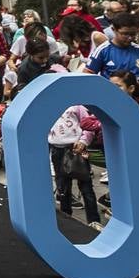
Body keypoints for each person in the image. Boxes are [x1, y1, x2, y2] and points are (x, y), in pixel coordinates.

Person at [48, 90, 101, 230]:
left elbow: (88, 126)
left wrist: (84, 141)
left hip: (76, 148)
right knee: (63, 188)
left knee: (86, 186)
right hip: (57, 150)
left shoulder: (77, 106)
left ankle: (94, 220)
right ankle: (67, 218)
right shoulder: (47, 107)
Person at [86, 13, 139, 95]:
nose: (130, 38)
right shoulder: (103, 50)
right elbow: (87, 77)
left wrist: (134, 86)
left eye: (133, 34)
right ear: (114, 30)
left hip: (136, 102)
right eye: (125, 34)